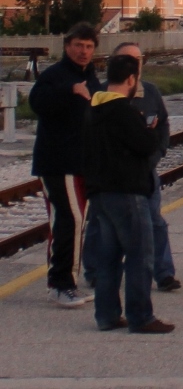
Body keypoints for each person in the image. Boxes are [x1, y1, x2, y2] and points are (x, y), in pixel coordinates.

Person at [82, 54, 174, 333]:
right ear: (132, 79)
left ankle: (107, 315)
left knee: (109, 258)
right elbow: (145, 145)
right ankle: (141, 316)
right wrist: (150, 131)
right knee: (140, 255)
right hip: (127, 191)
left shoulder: (93, 109)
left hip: (100, 193)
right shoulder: (123, 111)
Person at [29, 22, 102, 307]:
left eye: (88, 46)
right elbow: (37, 102)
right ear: (67, 46)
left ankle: (66, 281)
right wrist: (69, 91)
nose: (83, 51)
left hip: (82, 163)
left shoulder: (91, 78)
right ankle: (61, 284)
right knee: (70, 219)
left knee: (75, 220)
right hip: (57, 163)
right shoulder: (55, 76)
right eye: (78, 46)